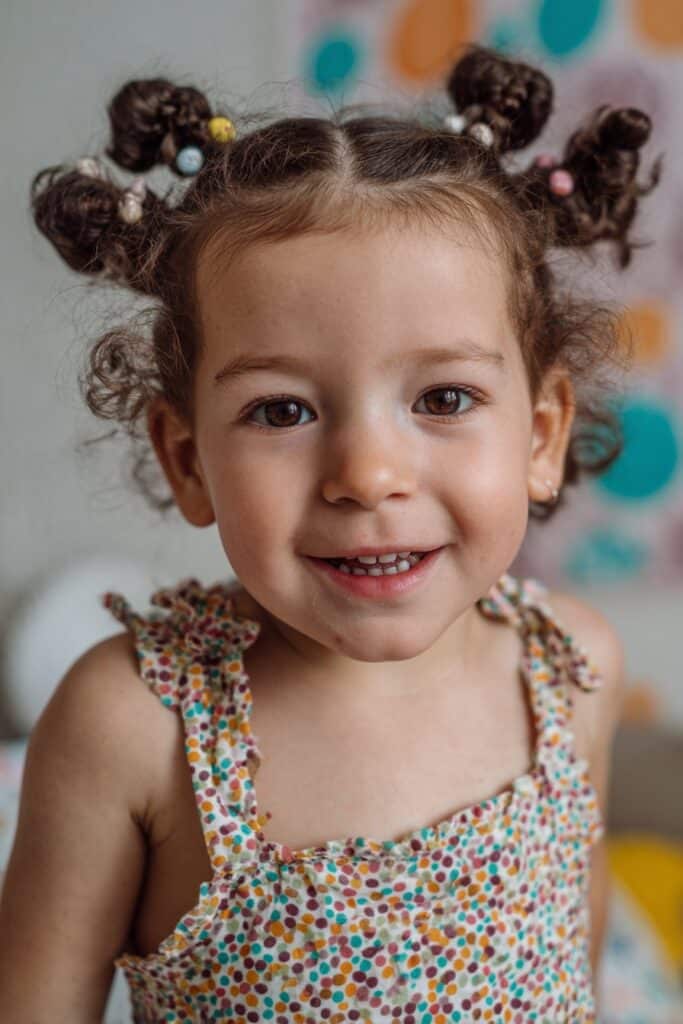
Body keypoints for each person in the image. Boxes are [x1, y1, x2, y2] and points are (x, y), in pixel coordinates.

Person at [0, 44, 661, 1023]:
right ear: (187, 458)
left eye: (442, 397)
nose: (365, 475)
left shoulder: (568, 671)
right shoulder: (133, 724)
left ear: (539, 436)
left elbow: (576, 967)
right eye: (280, 412)